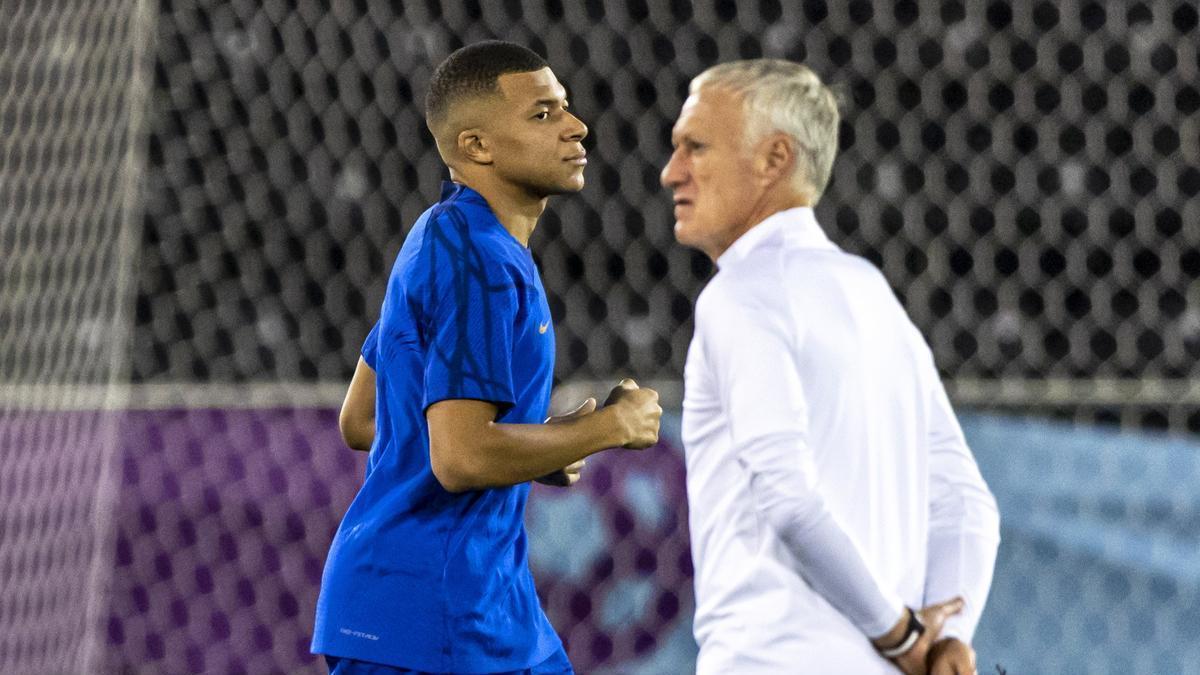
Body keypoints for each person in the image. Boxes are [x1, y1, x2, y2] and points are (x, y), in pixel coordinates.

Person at [312, 40, 662, 675]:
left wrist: (535, 448)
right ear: (476, 146)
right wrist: (609, 427)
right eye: (543, 114)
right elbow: (462, 456)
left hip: (461, 608)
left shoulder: (436, 235)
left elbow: (362, 418)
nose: (577, 126)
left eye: (567, 109)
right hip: (438, 617)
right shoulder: (482, 263)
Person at [661, 59, 1001, 675]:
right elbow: (966, 503)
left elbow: (787, 497)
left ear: (775, 159)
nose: (671, 172)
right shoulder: (870, 291)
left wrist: (899, 634)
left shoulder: (741, 295)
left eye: (696, 147)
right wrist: (947, 640)